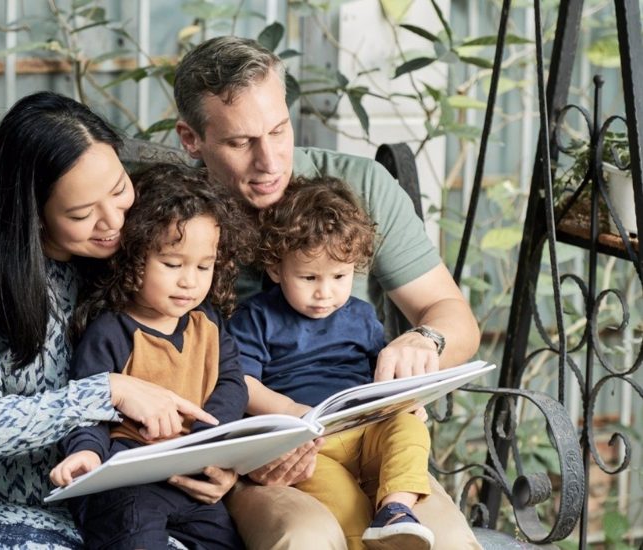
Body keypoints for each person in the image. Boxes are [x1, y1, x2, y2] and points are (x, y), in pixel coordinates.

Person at [173, 36, 483, 549]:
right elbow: (143, 359)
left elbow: (454, 319)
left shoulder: (357, 186)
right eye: (240, 142)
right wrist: (236, 452)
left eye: (279, 130)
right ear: (191, 139)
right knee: (309, 538)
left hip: (368, 439)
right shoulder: (171, 219)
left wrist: (424, 342)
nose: (270, 161)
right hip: (254, 455)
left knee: (444, 542)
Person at [0, 92, 229, 549]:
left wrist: (218, 461)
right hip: (2, 510)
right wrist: (108, 390)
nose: (114, 221)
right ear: (33, 214)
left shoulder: (130, 247)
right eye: (80, 214)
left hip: (119, 500)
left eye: (118, 190)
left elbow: (200, 353)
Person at [50, 163, 252, 550]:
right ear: (133, 258)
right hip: (125, 483)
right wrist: (87, 454)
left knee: (226, 539)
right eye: (172, 264)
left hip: (190, 478)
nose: (189, 281)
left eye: (204, 266)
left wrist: (209, 438)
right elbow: (87, 406)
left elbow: (231, 383)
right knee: (134, 534)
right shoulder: (110, 331)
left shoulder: (207, 322)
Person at [228, 177, 435, 550]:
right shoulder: (257, 316)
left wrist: (408, 400)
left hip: (367, 426)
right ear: (276, 269)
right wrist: (289, 410)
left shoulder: (360, 315)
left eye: (339, 276)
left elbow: (385, 374)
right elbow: (240, 382)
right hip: (309, 443)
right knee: (348, 508)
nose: (325, 292)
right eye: (308, 278)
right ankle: (369, 534)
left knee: (410, 430)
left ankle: (397, 510)